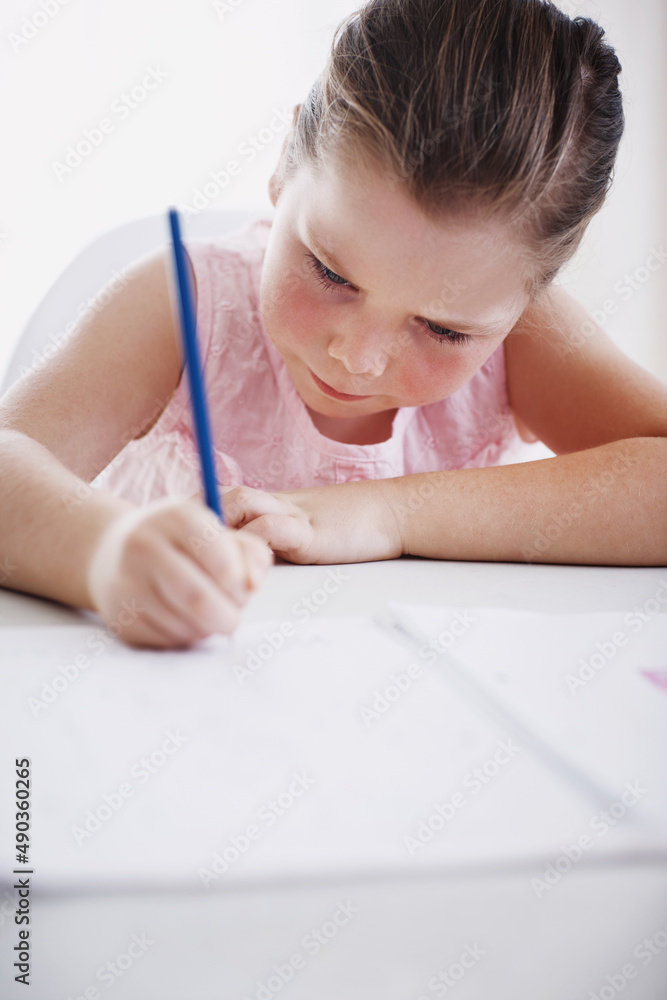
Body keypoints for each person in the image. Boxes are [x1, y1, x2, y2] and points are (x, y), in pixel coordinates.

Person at [1, 0, 665, 650]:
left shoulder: (523, 331)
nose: (357, 357)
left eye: (443, 330)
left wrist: (386, 513)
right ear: (287, 158)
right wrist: (105, 556)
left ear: (532, 291)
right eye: (331, 274)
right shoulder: (184, 301)